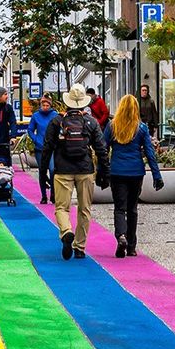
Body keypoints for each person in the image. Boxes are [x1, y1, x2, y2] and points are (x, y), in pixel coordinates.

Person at [42, 84, 108, 260]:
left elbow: (47, 147)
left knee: (61, 207)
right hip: (85, 170)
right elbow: (101, 149)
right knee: (84, 209)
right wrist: (104, 172)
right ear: (83, 104)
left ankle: (66, 232)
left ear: (67, 102)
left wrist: (43, 172)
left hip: (63, 170)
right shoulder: (91, 122)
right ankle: (80, 247)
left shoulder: (57, 122)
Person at [104, 93, 163, 257]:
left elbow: (103, 148)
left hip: (117, 171)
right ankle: (131, 246)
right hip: (136, 172)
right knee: (132, 209)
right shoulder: (142, 128)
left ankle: (121, 235)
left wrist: (102, 170)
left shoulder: (112, 126)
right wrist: (157, 176)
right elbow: (150, 153)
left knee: (119, 208)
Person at [27, 92, 58, 204]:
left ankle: (53, 194)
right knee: (42, 171)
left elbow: (59, 129)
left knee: (52, 169)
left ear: (50, 105)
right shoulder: (36, 116)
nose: (45, 107)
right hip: (40, 147)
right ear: (40, 105)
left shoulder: (55, 115)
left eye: (47, 105)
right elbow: (30, 129)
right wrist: (35, 139)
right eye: (43, 105)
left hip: (51, 147)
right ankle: (44, 195)